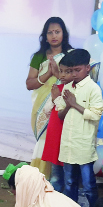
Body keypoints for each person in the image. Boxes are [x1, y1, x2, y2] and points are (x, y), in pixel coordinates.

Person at [54, 49, 103, 207]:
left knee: (89, 185)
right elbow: (60, 115)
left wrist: (74, 104)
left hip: (83, 146)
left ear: (87, 68)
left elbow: (95, 115)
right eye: (70, 71)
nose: (74, 74)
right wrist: (68, 104)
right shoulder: (67, 87)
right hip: (68, 145)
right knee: (69, 184)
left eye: (77, 70)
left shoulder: (93, 88)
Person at [26, 17, 73, 179]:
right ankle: (42, 179)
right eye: (50, 32)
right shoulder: (39, 56)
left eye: (57, 32)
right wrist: (49, 74)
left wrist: (59, 75)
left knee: (60, 141)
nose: (54, 36)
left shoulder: (71, 55)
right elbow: (29, 83)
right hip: (43, 107)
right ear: (45, 36)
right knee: (44, 142)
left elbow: (77, 79)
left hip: (64, 105)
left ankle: (60, 181)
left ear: (63, 34)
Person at [41, 62, 75, 192]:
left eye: (68, 71)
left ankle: (59, 197)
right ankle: (59, 197)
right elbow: (46, 110)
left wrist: (56, 100)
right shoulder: (59, 88)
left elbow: (47, 110)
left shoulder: (61, 89)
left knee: (62, 171)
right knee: (59, 170)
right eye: (61, 71)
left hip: (62, 131)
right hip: (57, 132)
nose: (63, 75)